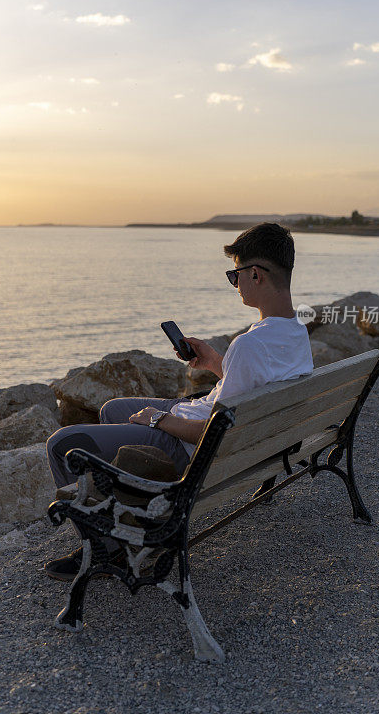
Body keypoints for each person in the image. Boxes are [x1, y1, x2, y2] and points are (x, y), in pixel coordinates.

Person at [44, 222, 313, 580]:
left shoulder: (251, 344)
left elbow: (215, 434)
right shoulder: (295, 334)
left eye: (235, 277)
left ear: (255, 275)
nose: (235, 285)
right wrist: (218, 363)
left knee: (62, 444)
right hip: (239, 440)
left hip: (193, 450)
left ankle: (106, 549)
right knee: (113, 409)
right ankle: (129, 512)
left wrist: (158, 420)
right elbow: (252, 389)